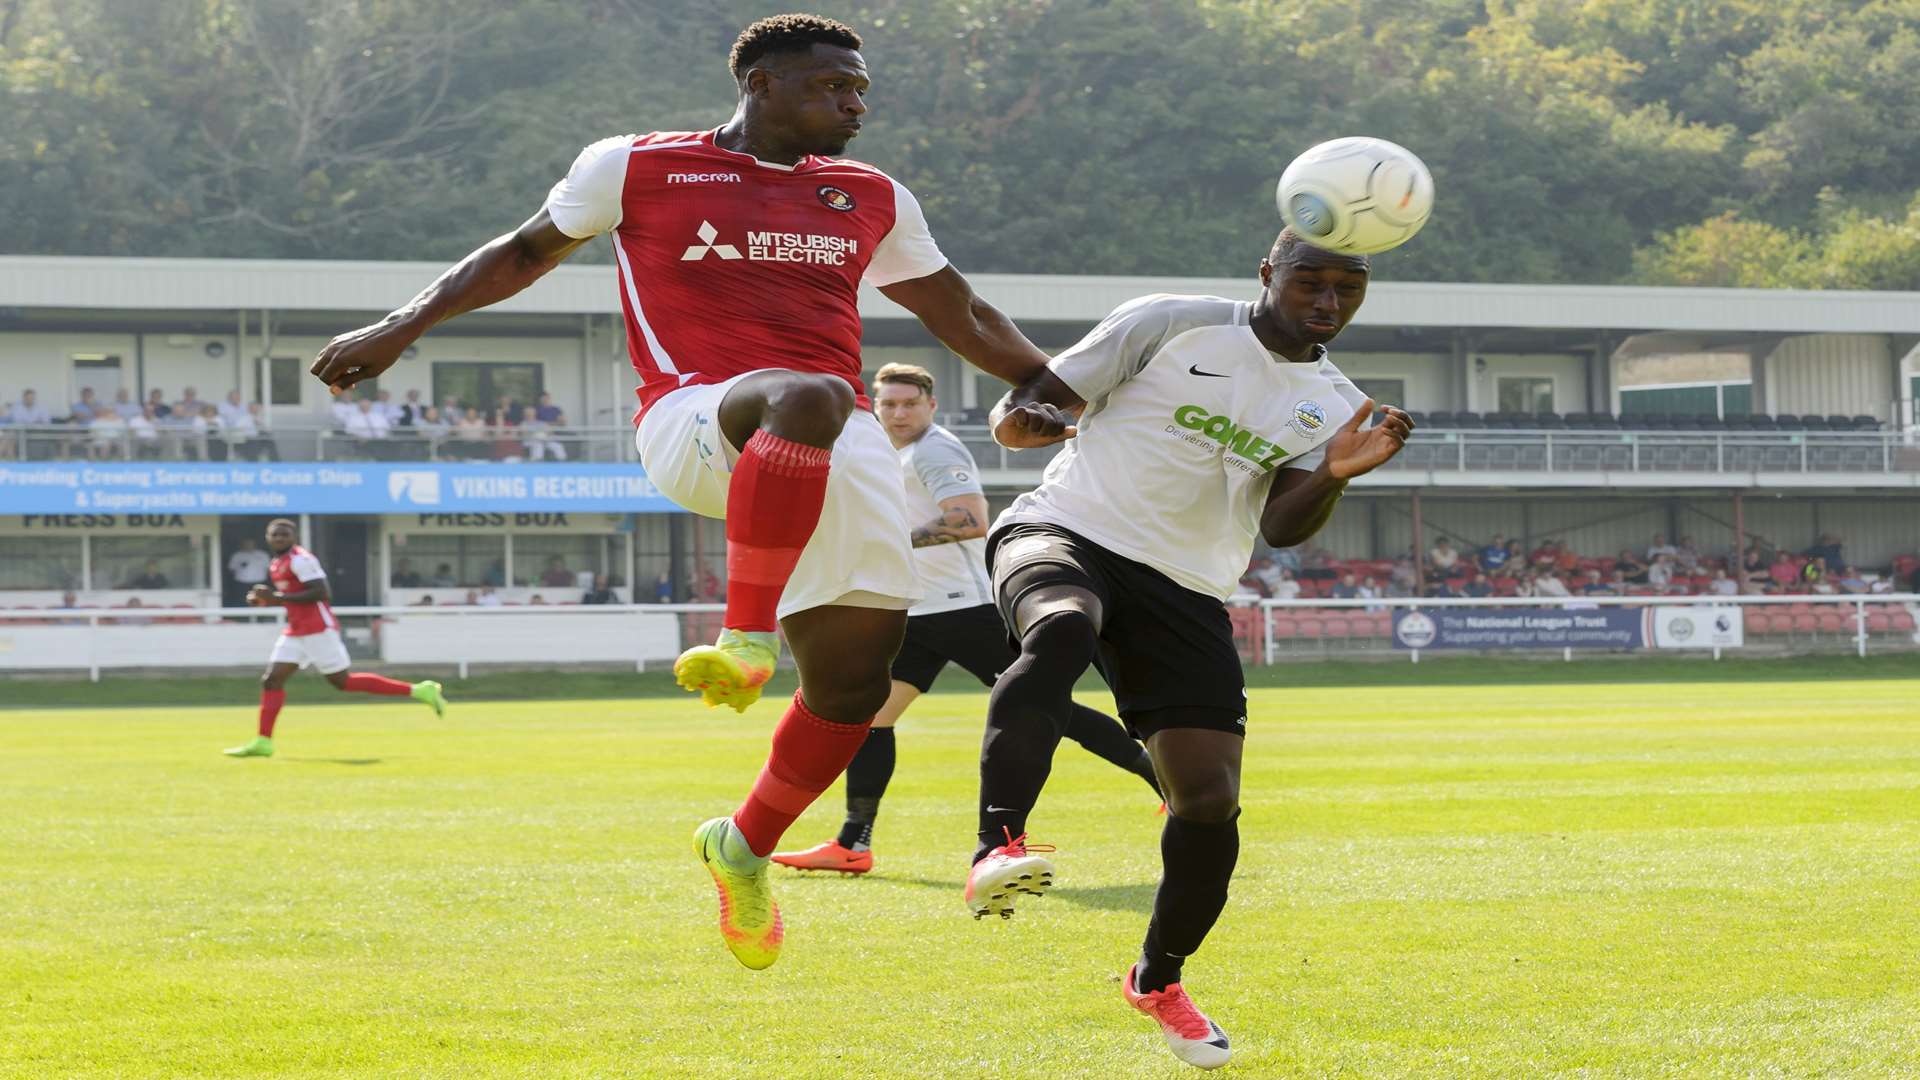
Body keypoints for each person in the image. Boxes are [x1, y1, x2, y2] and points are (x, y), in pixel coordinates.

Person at [307, 14, 1061, 972]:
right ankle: (744, 639)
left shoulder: (871, 194)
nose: (857, 104)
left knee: (853, 685)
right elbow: (521, 252)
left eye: (862, 89)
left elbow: (960, 309)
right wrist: (398, 327)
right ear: (764, 84)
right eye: (836, 86)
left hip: (840, 448)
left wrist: (1050, 383)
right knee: (814, 390)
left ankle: (740, 845)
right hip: (695, 416)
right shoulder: (634, 165)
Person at [963, 226, 1413, 1069]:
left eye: (1345, 291)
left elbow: (1282, 524)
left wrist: (1335, 473)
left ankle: (1157, 978)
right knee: (1061, 626)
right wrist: (1020, 421)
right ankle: (1000, 845)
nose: (1325, 302)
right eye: (1308, 282)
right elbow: (1035, 404)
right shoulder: (1170, 322)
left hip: (1186, 587)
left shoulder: (1335, 403)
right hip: (1067, 529)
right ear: (1267, 273)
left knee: (1207, 801)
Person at [772, 363, 1159, 877]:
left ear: (931, 406)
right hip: (918, 609)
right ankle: (852, 842)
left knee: (1047, 707)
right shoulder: (894, 453)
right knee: (874, 720)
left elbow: (970, 520)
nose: (898, 412)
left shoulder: (935, 449)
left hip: (960, 608)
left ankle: (1166, 781)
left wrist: (886, 543)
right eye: (888, 404)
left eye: (909, 403)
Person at [224, 519, 447, 758]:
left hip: (318, 628)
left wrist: (277, 597)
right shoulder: (277, 563)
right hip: (296, 630)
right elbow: (289, 596)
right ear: (267, 538)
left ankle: (419, 691)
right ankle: (263, 742)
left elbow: (322, 592)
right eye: (275, 534)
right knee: (271, 680)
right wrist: (265, 600)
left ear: (294, 537)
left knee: (343, 682)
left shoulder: (301, 559)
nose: (279, 538)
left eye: (285, 534)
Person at [525, 392, 568, 461]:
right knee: (538, 444)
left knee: (558, 446)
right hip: (535, 438)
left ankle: (562, 464)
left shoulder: (556, 409)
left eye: (547, 398)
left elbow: (563, 423)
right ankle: (537, 464)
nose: (545, 400)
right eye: (543, 398)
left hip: (549, 436)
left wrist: (549, 425)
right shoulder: (538, 410)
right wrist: (553, 424)